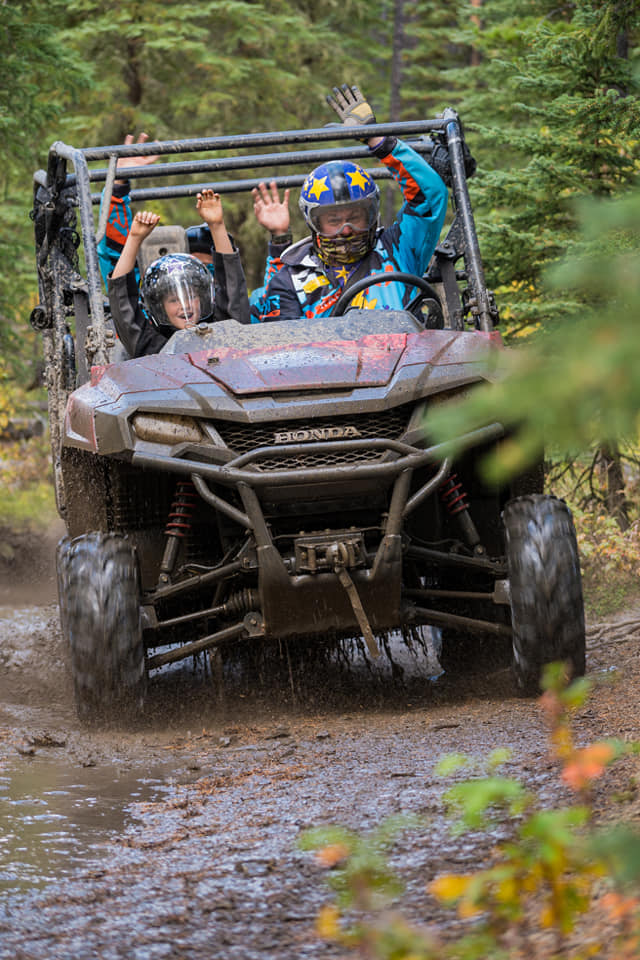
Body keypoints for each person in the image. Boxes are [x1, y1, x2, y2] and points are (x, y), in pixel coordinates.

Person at [251, 83, 449, 322]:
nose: (346, 230)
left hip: (406, 358)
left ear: (371, 214)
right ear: (314, 222)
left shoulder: (398, 248)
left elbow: (430, 196)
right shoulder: (289, 279)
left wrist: (377, 139)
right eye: (333, 220)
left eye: (355, 217)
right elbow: (284, 348)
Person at [108, 189, 250, 358]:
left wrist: (217, 225)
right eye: (173, 300)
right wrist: (134, 239)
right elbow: (122, 304)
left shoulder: (223, 333)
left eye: (191, 296)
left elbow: (233, 294)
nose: (185, 305)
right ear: (161, 307)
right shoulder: (152, 347)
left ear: (203, 299)